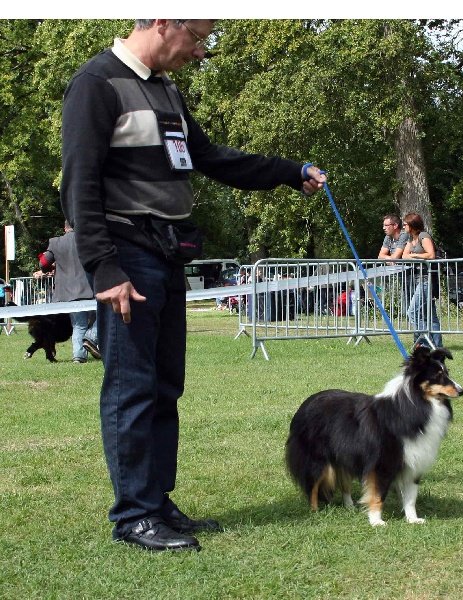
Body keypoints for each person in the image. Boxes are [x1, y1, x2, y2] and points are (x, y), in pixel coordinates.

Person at [60, 19, 326, 552]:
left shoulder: (165, 91)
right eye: (199, 37)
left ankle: (156, 500)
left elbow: (208, 158)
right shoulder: (96, 83)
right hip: (126, 254)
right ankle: (134, 515)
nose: (201, 52)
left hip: (167, 252)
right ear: (163, 22)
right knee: (130, 387)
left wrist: (286, 171)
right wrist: (105, 268)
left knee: (164, 386)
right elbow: (79, 181)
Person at [37, 221, 101, 363]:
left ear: (65, 228)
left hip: (68, 293)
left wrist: (49, 268)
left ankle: (79, 356)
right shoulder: (88, 239)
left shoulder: (55, 242)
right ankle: (91, 338)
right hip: (90, 288)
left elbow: (43, 264)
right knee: (104, 317)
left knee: (79, 324)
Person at [402, 212, 443, 349]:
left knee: (412, 312)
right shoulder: (410, 239)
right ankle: (437, 346)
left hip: (427, 280)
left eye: (405, 224)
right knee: (429, 314)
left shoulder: (423, 236)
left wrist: (414, 255)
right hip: (418, 279)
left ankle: (425, 343)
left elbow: (431, 255)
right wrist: (416, 256)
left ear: (412, 225)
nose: (403, 226)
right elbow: (404, 256)